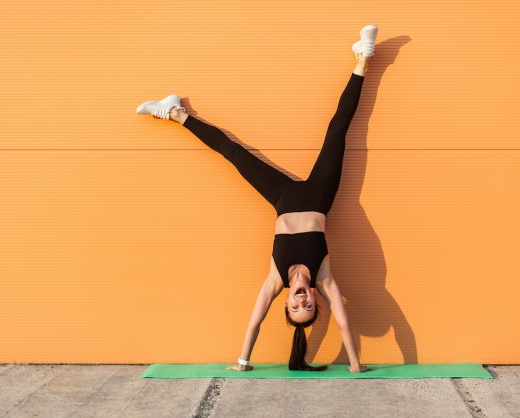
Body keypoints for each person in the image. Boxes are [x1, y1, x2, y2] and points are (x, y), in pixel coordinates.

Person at [137, 25, 379, 372]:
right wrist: (355, 364)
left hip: (282, 197)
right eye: (308, 306)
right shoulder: (323, 277)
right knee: (338, 129)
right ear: (315, 301)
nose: (301, 301)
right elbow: (342, 322)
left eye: (295, 308)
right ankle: (363, 58)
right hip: (319, 195)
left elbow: (254, 323)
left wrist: (243, 362)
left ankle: (176, 113)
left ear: (286, 304)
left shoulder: (274, 279)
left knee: (233, 154)